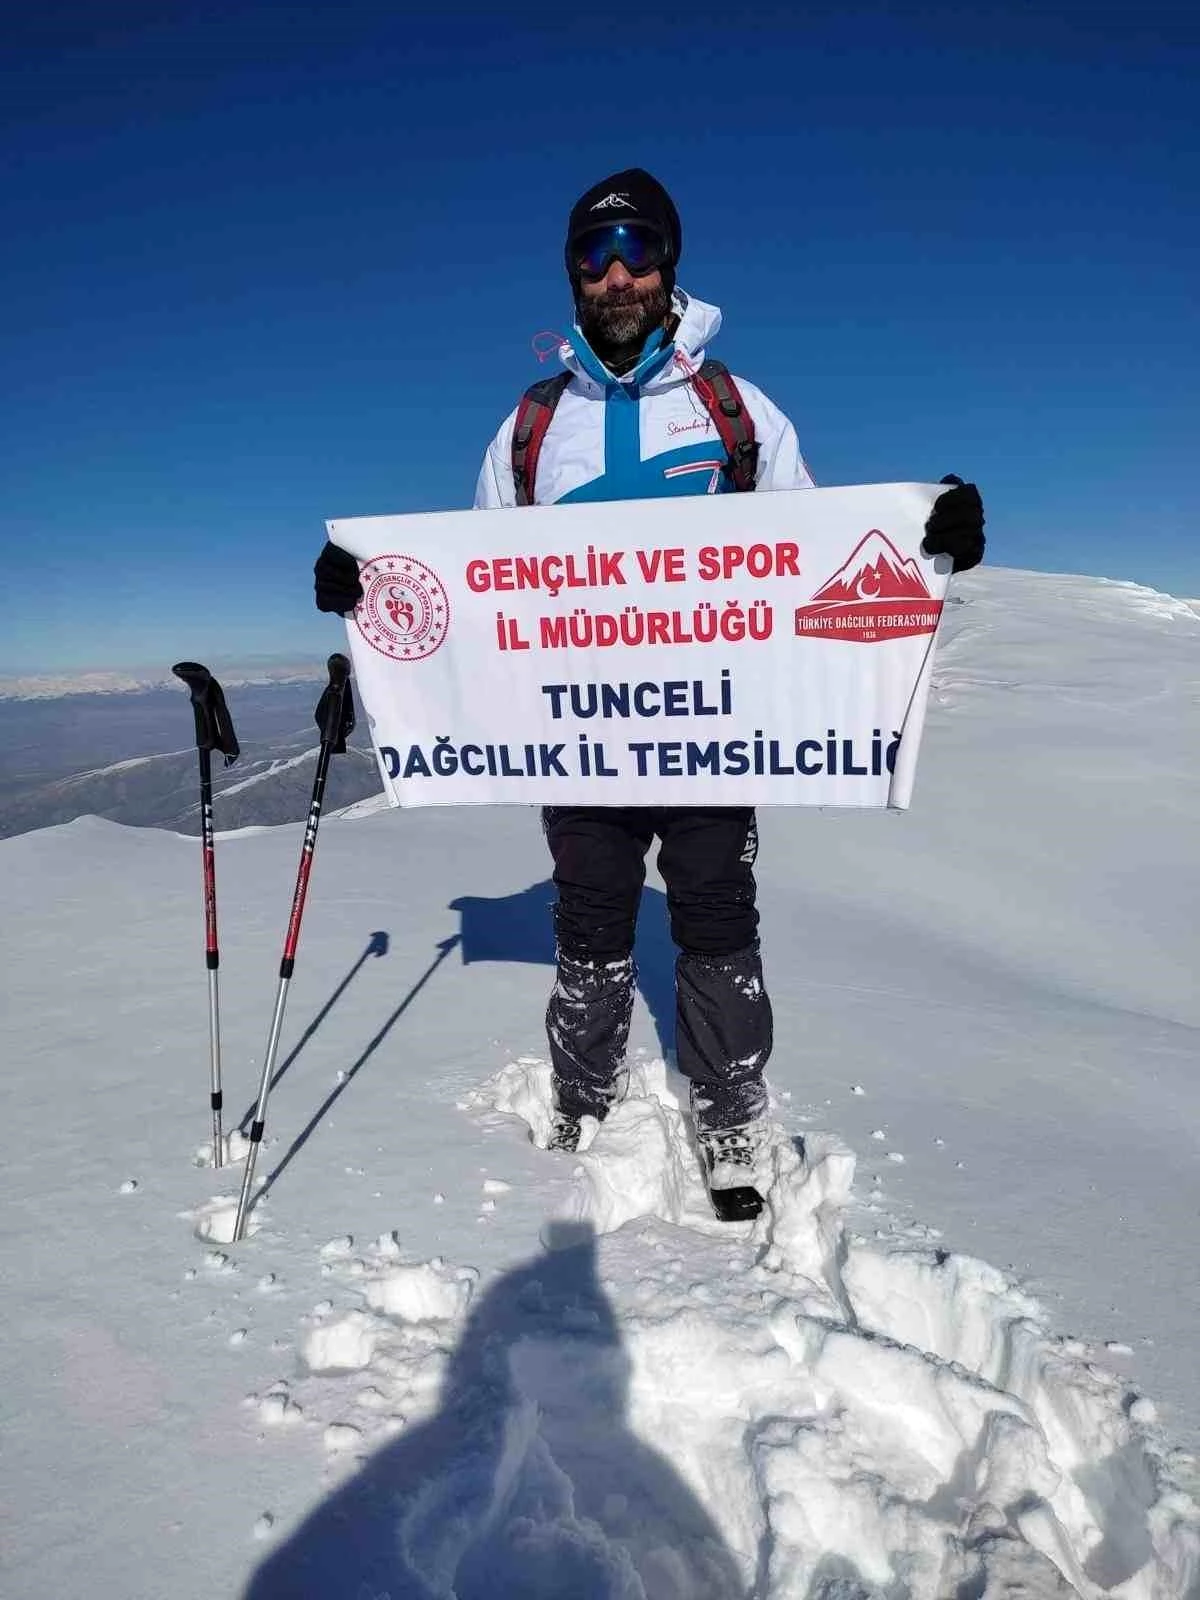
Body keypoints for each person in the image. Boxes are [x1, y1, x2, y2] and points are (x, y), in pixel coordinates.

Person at [314, 168, 985, 1217]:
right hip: (576, 730)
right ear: (573, 277)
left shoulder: (735, 410)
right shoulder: (531, 429)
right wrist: (373, 586)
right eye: (594, 256)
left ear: (671, 265)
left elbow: (808, 557)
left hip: (711, 725)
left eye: (637, 250)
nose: (617, 274)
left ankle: (727, 1107)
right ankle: (582, 1089)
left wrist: (925, 544)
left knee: (715, 910)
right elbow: (481, 579)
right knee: (590, 906)